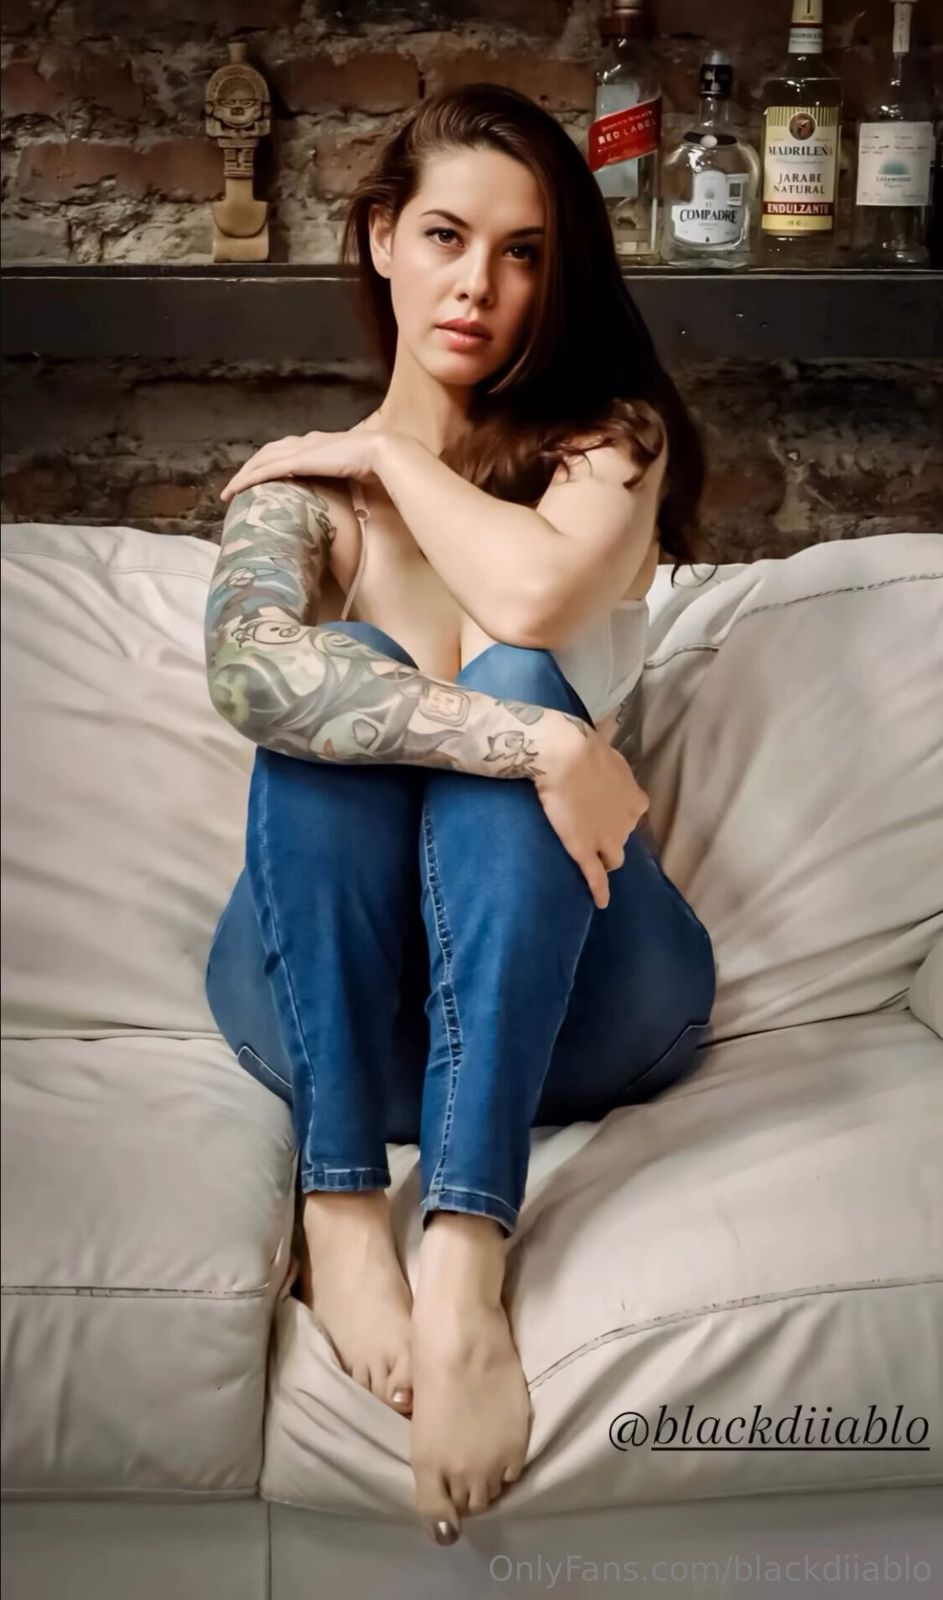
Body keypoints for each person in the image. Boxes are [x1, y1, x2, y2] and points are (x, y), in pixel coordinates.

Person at [203, 83, 717, 1546]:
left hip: (581, 1006)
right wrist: (539, 748)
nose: (478, 284)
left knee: (515, 668)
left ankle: (468, 1253)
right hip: (343, 1022)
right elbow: (249, 674)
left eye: (524, 252)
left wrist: (392, 453)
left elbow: (532, 598)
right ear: (381, 239)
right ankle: (341, 1205)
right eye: (443, 235)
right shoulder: (301, 501)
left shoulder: (608, 447)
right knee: (342, 680)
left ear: (560, 276)